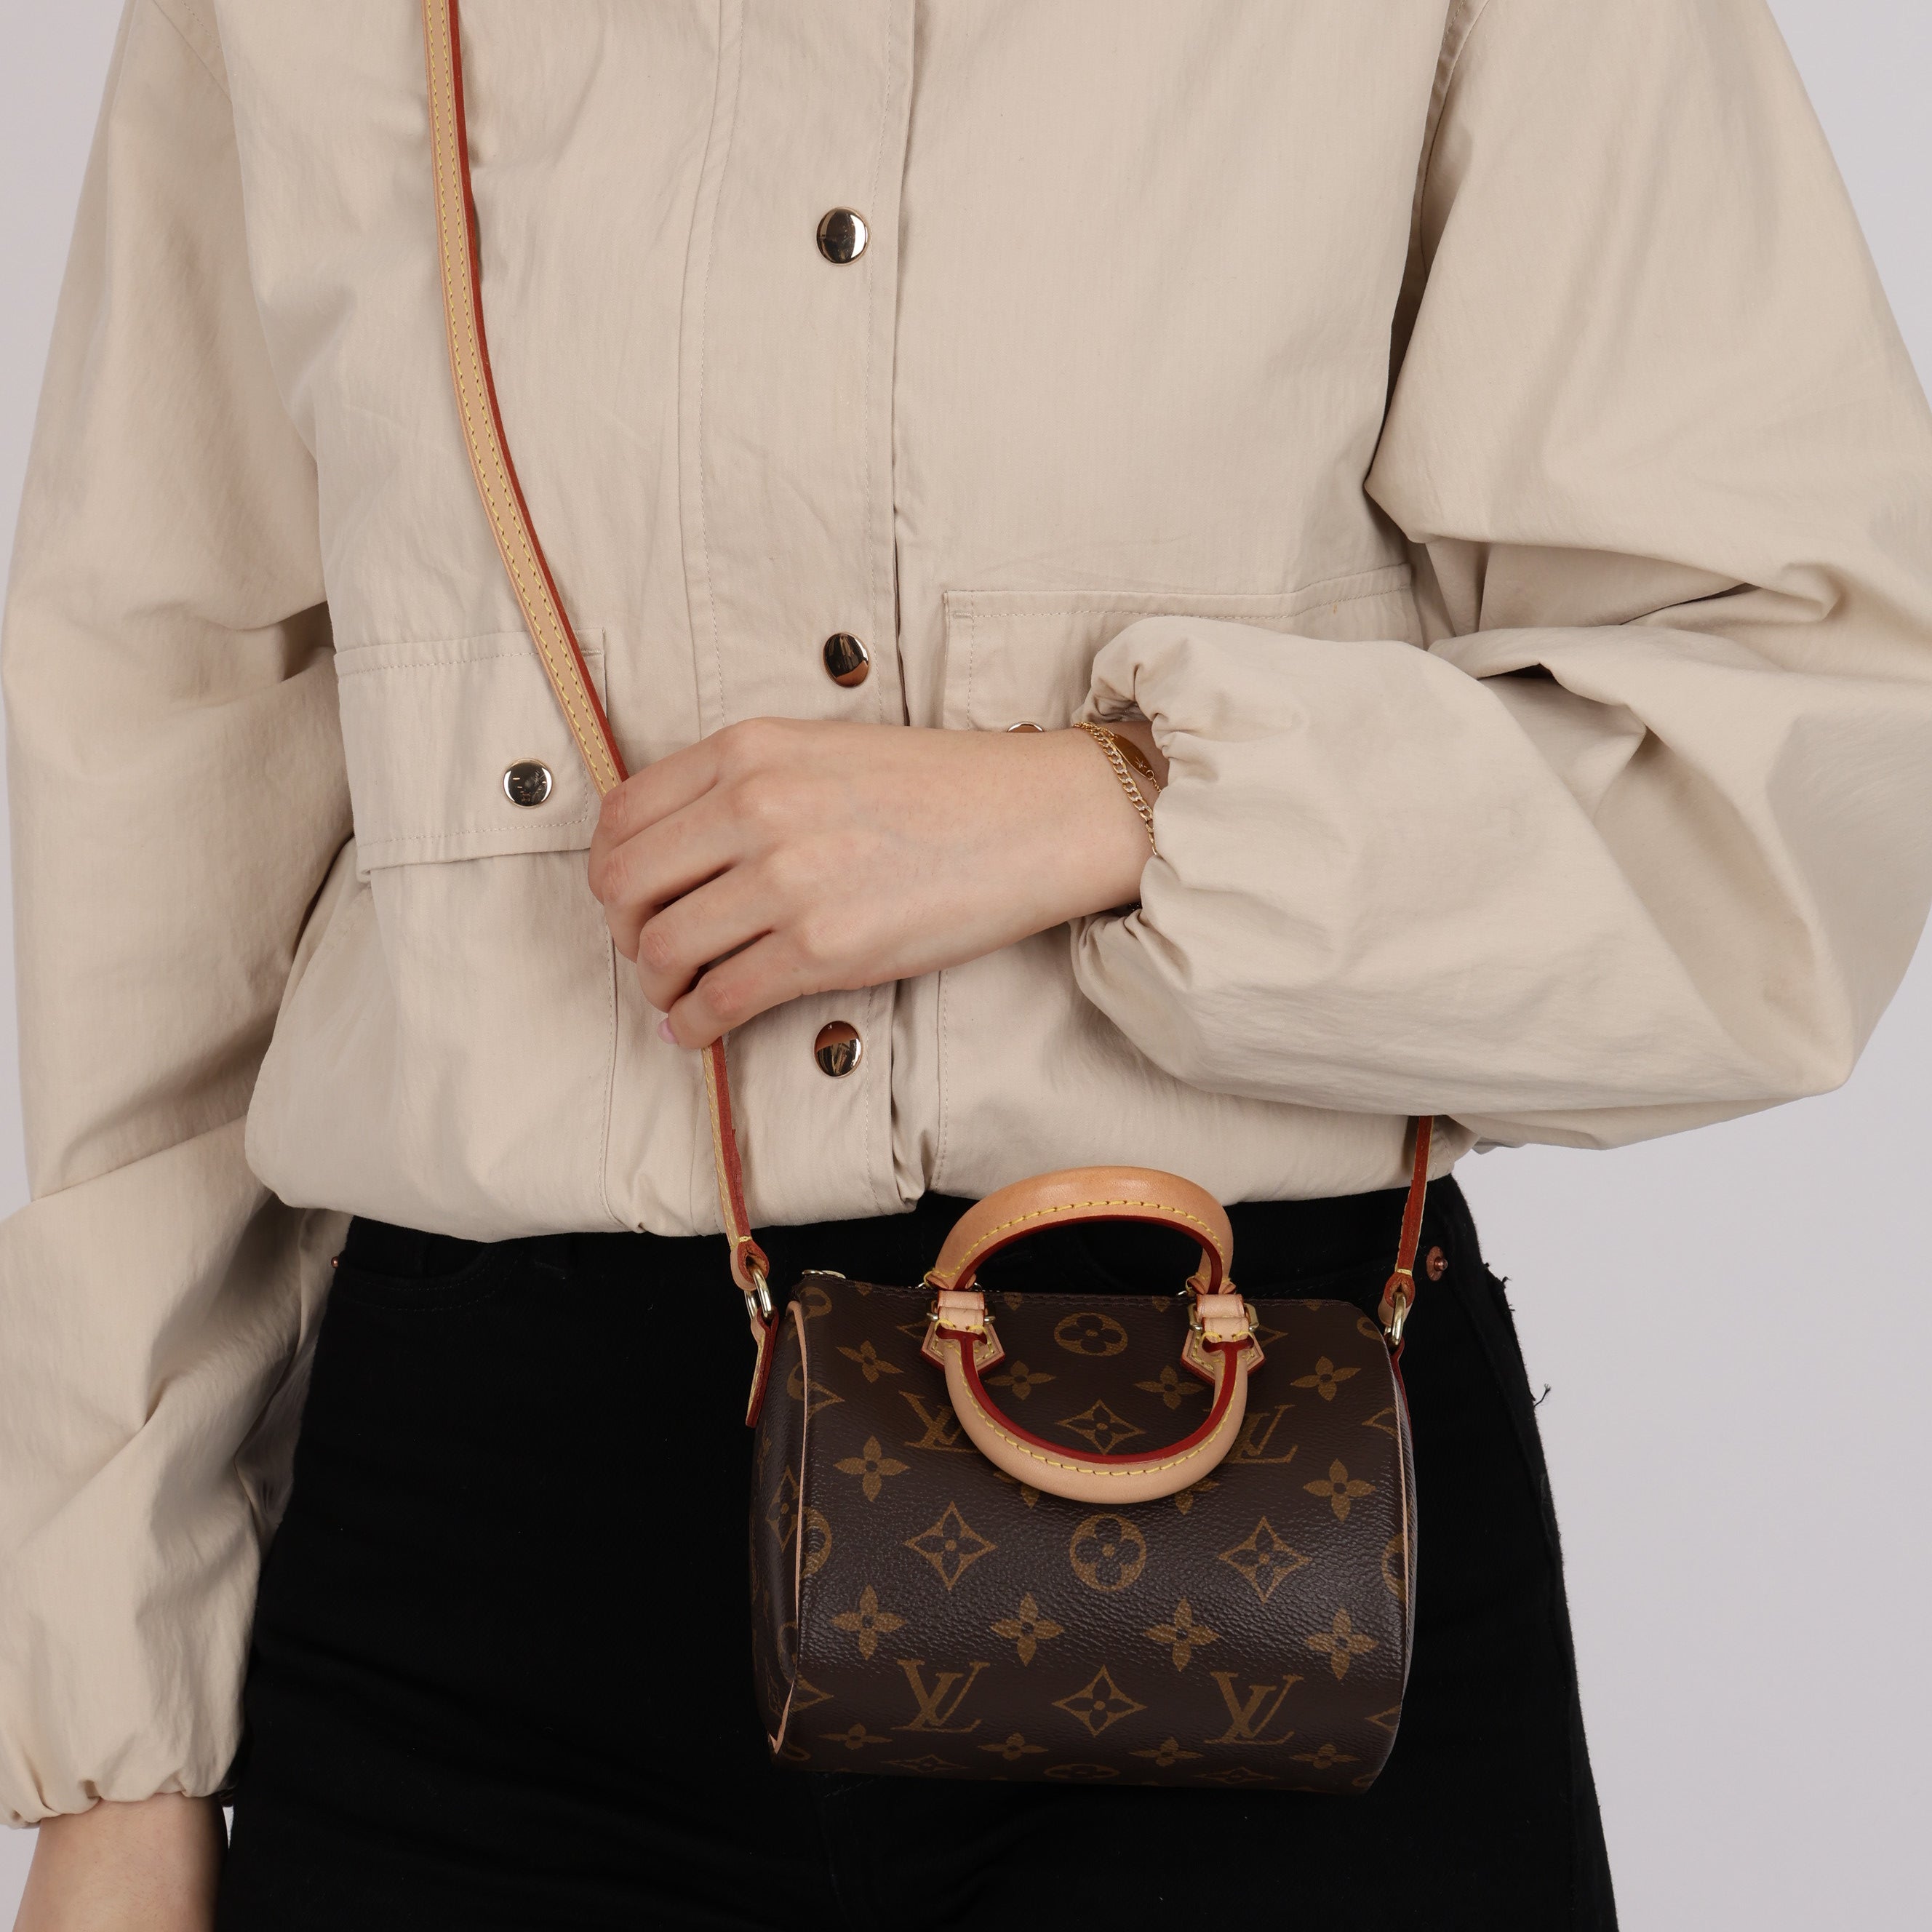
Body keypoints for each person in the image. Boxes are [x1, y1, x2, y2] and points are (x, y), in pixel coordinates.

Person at [7, 0, 1932, 1925]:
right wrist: (122, 1761)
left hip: (1262, 1520)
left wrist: (1111, 808)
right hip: (485, 1604)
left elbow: (1802, 746)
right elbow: (163, 798)